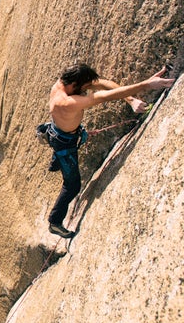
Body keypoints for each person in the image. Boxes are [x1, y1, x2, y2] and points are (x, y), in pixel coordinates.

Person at [45, 63, 174, 238]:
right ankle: (55, 222)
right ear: (75, 86)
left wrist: (131, 99)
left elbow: (102, 84)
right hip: (64, 144)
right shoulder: (65, 102)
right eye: (85, 88)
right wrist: (146, 85)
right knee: (73, 185)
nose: (87, 90)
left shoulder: (65, 82)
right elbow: (103, 96)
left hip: (59, 130)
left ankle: (57, 162)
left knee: (64, 156)